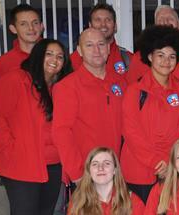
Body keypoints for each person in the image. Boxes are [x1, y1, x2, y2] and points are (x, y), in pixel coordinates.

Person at [0, 39, 71, 215]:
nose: (55, 59)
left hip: (54, 166)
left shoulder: (61, 88)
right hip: (22, 166)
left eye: (60, 56)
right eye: (49, 54)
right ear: (38, 55)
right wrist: (9, 148)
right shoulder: (16, 79)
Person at [121, 25, 179, 203]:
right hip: (139, 169)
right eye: (160, 55)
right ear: (150, 57)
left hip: (174, 167)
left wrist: (170, 159)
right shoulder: (135, 90)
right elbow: (130, 132)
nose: (166, 61)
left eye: (171, 56)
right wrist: (156, 161)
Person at [52, 28, 126, 183]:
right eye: (89, 45)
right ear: (79, 50)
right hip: (86, 174)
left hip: (115, 172)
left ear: (108, 48)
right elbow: (61, 132)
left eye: (101, 44)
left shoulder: (120, 82)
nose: (97, 50)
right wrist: (77, 173)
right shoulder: (67, 86)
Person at [126, 5, 179, 84]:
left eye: (170, 18)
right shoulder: (140, 57)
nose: (165, 21)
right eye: (161, 19)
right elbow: (133, 89)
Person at [68, 147, 145, 215]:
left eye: (107, 163)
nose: (100, 168)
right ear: (89, 171)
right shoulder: (78, 202)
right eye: (95, 164)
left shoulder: (132, 202)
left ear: (115, 170)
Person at [69, 3, 133, 78]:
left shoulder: (129, 59)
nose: (103, 24)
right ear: (90, 26)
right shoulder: (73, 60)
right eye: (98, 20)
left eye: (108, 20)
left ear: (115, 26)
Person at [0, 3, 44, 84]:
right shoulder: (3, 63)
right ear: (13, 29)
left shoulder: (56, 57)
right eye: (23, 24)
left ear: (41, 26)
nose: (31, 28)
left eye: (35, 23)